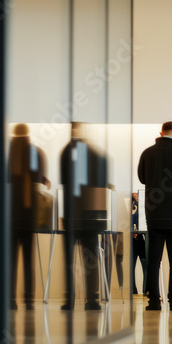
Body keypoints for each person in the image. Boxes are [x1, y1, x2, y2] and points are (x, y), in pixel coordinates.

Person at [137, 121, 172, 311]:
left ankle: (154, 301)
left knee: (153, 261)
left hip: (154, 215)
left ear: (160, 133)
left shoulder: (148, 153)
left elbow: (142, 178)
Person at [60, 121, 111, 311]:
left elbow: (65, 182)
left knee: (70, 262)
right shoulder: (96, 153)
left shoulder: (67, 151)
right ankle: (92, 299)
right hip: (90, 217)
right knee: (91, 260)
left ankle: (71, 299)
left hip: (73, 215)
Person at [9, 123, 50, 310]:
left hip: (10, 216)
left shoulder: (7, 154)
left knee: (10, 262)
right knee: (28, 261)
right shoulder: (35, 152)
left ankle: (10, 299)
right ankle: (29, 300)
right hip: (29, 215)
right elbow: (41, 178)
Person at [130, 193, 148, 296]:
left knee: (145, 266)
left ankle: (146, 289)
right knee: (131, 267)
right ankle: (133, 290)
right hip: (131, 241)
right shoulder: (127, 211)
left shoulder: (140, 210)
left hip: (141, 239)